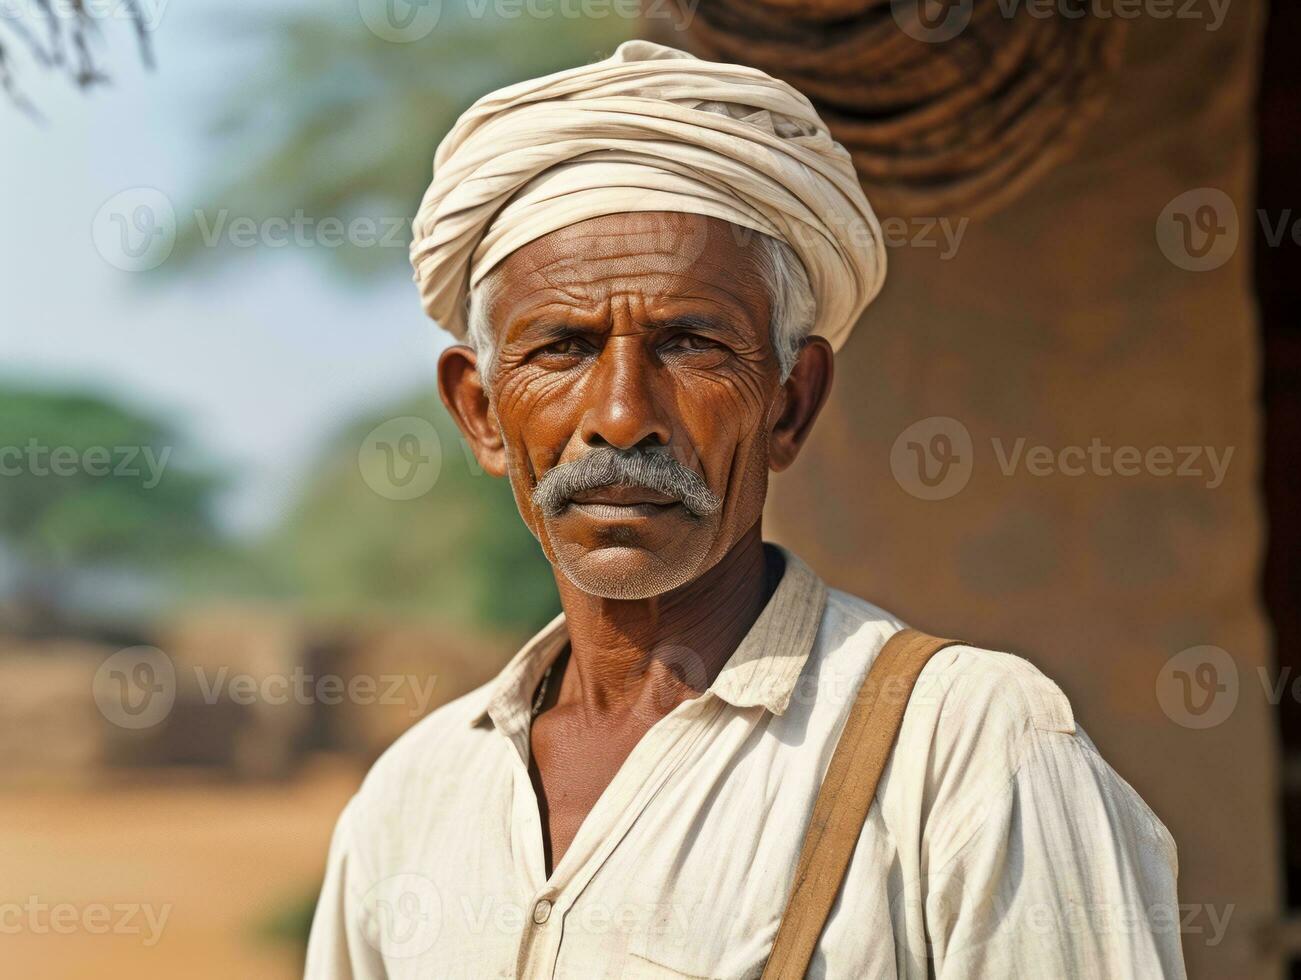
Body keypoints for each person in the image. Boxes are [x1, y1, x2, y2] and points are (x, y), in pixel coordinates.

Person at [305, 40, 1184, 979]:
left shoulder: (965, 752)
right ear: (481, 413)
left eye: (688, 343)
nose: (619, 418)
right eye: (561, 348)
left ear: (790, 403)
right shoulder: (416, 795)